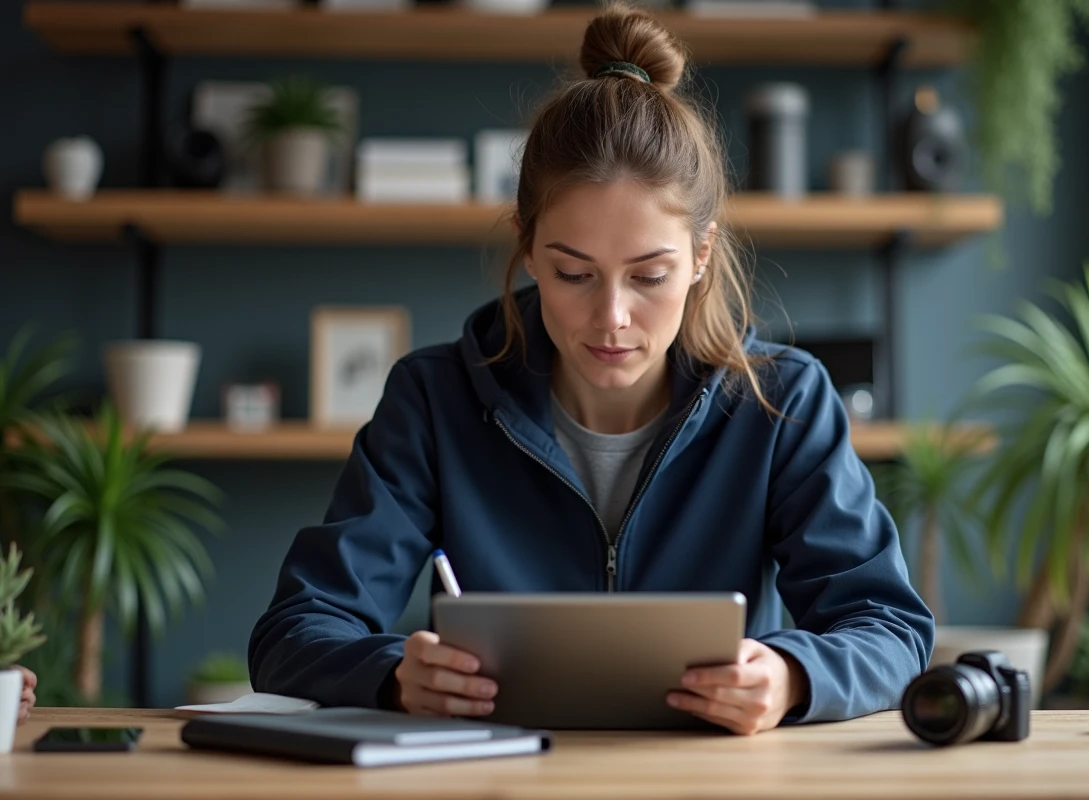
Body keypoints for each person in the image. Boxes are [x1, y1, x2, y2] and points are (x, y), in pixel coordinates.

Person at [249, 2, 933, 736]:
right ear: (529, 244)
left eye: (649, 276)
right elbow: (295, 630)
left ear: (701, 254)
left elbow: (891, 629)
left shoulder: (784, 401)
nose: (611, 317)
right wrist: (391, 675)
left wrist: (794, 676)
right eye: (574, 274)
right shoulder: (432, 398)